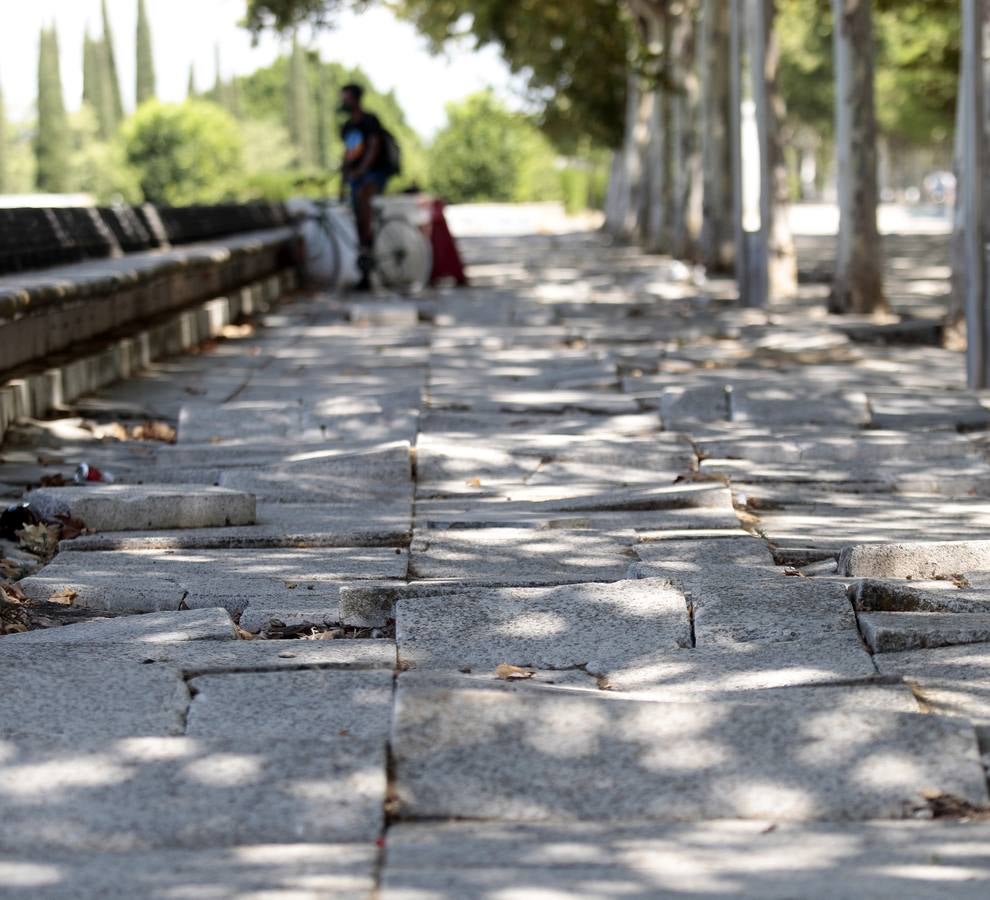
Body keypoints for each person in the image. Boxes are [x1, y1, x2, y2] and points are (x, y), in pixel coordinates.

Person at [339, 83, 391, 291]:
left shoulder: (369, 121)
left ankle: (373, 259)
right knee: (358, 221)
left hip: (372, 176)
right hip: (355, 178)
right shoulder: (347, 126)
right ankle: (365, 270)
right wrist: (344, 179)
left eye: (346, 97)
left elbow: (373, 147)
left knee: (366, 213)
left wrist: (362, 170)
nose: (342, 101)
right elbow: (347, 153)